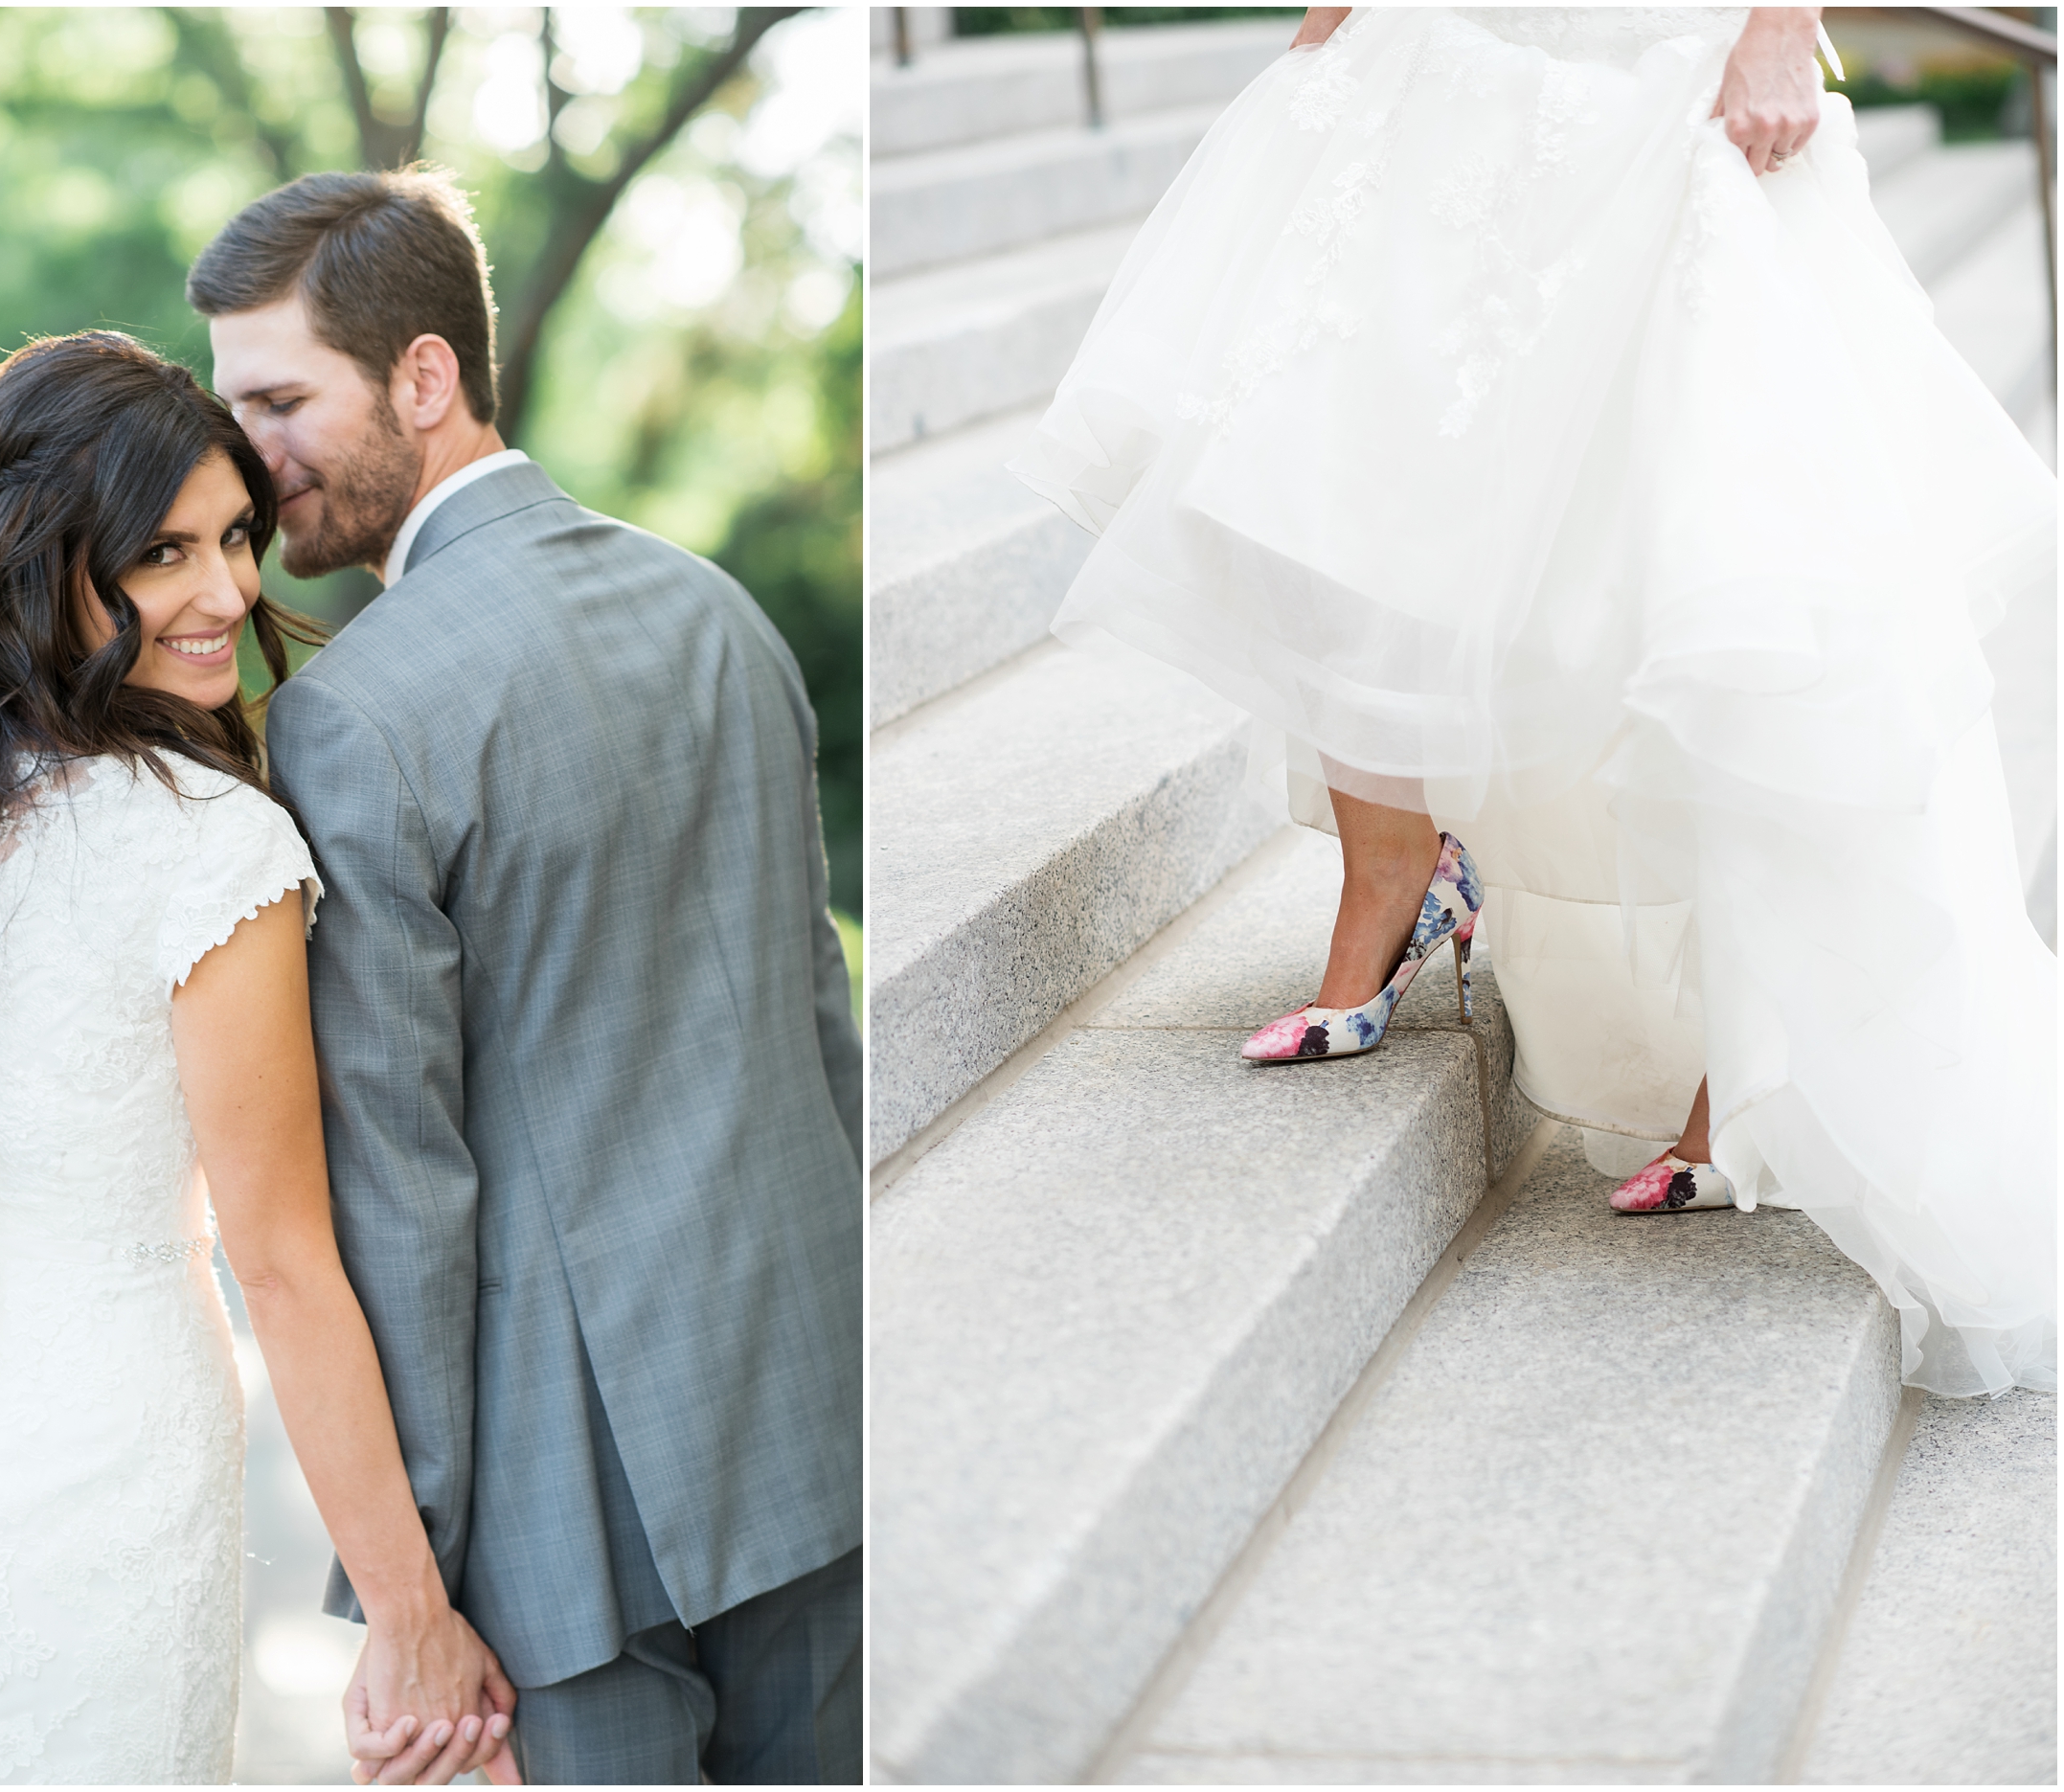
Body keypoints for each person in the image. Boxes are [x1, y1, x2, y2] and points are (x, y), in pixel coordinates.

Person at [1011, 7, 2055, 1396]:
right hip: (1448, 38)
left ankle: (1741, 1049)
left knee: (1698, 549)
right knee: (1326, 455)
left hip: (1663, 52)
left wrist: (1778, 23)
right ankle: (1391, 871)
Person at [0, 332, 510, 1783]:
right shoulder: (212, 850)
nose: (226, 594)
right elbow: (281, 1264)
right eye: (162, 554)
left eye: (234, 539)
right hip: (98, 1456)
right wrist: (411, 1618)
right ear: (41, 568)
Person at [185, 168, 864, 1786]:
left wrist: (415, 1588)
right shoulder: (718, 612)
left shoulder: (354, 718)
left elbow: (401, 1188)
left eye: (282, 399)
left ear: (425, 376)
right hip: (820, 1404)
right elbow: (817, 1022)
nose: (246, 453)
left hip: (574, 1501)